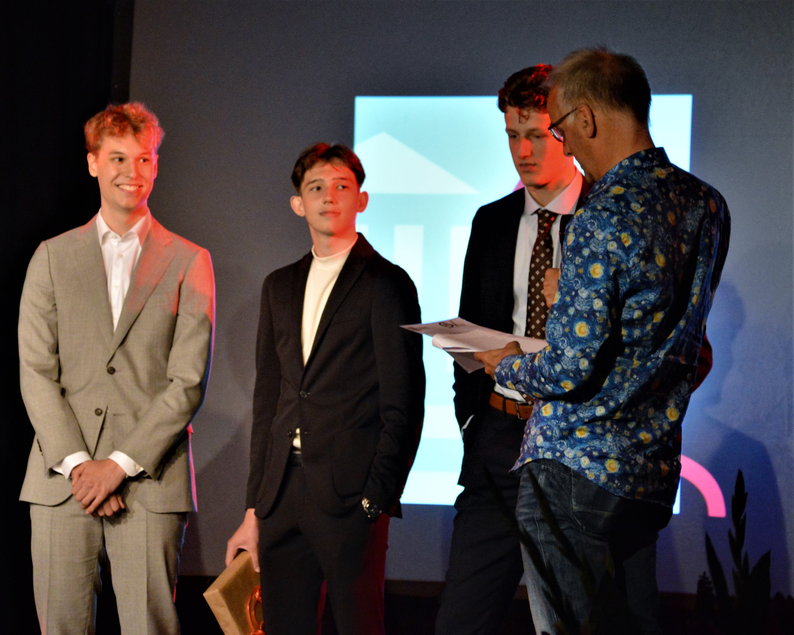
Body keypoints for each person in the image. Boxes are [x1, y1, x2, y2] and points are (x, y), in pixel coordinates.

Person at [476, 47, 730, 634]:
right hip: (649, 472)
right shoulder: (706, 203)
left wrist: (505, 364)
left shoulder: (603, 212)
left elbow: (568, 368)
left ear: (586, 118)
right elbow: (677, 336)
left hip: (574, 468)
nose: (563, 146)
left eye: (560, 129)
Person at [17, 102, 214, 635]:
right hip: (63, 481)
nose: (133, 171)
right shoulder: (52, 256)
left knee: (150, 627)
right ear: (93, 163)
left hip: (150, 480)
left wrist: (118, 466)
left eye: (144, 158)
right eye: (118, 158)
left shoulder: (189, 260)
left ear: (156, 165)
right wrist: (81, 465)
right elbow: (36, 371)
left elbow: (188, 381)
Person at [225, 143, 425, 635]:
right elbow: (268, 402)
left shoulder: (387, 283)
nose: (328, 196)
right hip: (282, 496)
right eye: (316, 187)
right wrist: (255, 507)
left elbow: (403, 403)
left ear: (362, 199)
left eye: (341, 186)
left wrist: (375, 500)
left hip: (351, 497)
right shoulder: (279, 286)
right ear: (299, 203)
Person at [435, 64, 586, 635]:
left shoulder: (605, 216)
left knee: (572, 618)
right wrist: (472, 421)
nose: (523, 151)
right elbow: (469, 327)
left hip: (572, 444)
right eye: (512, 136)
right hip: (498, 440)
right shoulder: (493, 221)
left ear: (566, 131)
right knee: (461, 621)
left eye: (537, 135)